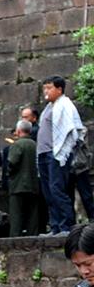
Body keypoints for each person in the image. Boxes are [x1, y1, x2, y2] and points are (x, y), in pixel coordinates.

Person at [38, 75, 90, 231]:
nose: (45, 92)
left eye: (49, 88)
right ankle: (55, 226)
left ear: (59, 89)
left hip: (57, 153)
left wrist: (62, 150)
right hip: (44, 153)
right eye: (44, 88)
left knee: (57, 189)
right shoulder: (49, 107)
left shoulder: (65, 105)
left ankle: (67, 225)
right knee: (48, 192)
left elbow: (72, 130)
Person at [6, 119, 44, 237]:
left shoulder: (17, 144)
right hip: (33, 183)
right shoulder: (35, 144)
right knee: (32, 214)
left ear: (18, 130)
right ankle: (33, 237)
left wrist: (9, 173)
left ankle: (15, 239)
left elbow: (12, 162)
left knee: (16, 214)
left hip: (18, 184)